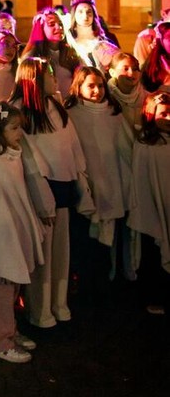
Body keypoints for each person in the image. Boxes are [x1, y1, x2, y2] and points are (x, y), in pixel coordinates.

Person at [10, 57, 91, 329]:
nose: (55, 77)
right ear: (34, 77)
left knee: (61, 251)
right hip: (40, 189)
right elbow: (26, 156)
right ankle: (39, 309)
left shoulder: (55, 105)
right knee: (42, 253)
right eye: (49, 73)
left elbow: (72, 143)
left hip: (65, 185)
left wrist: (80, 176)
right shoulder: (20, 110)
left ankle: (59, 303)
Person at [0, 100, 51, 363]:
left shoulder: (9, 156)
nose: (19, 134)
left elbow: (17, 195)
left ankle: (9, 330)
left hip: (12, 230)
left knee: (11, 283)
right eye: (14, 128)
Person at [64, 66, 131, 293]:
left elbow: (123, 150)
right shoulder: (72, 115)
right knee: (85, 239)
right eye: (90, 86)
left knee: (108, 240)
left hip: (111, 183)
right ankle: (85, 283)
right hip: (86, 184)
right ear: (79, 87)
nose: (97, 91)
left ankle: (106, 283)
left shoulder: (113, 113)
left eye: (100, 85)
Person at [128, 92, 170, 319]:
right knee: (153, 253)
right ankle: (154, 296)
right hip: (152, 208)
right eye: (163, 113)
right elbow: (142, 180)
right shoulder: (146, 144)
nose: (168, 118)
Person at [21, 7, 81, 101]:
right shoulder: (36, 54)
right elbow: (24, 64)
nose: (59, 27)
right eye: (52, 24)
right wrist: (34, 37)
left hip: (70, 105)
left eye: (60, 24)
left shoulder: (71, 52)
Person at [67, 0, 119, 71]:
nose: (85, 16)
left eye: (89, 12)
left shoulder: (105, 41)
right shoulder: (69, 41)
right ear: (74, 15)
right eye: (80, 12)